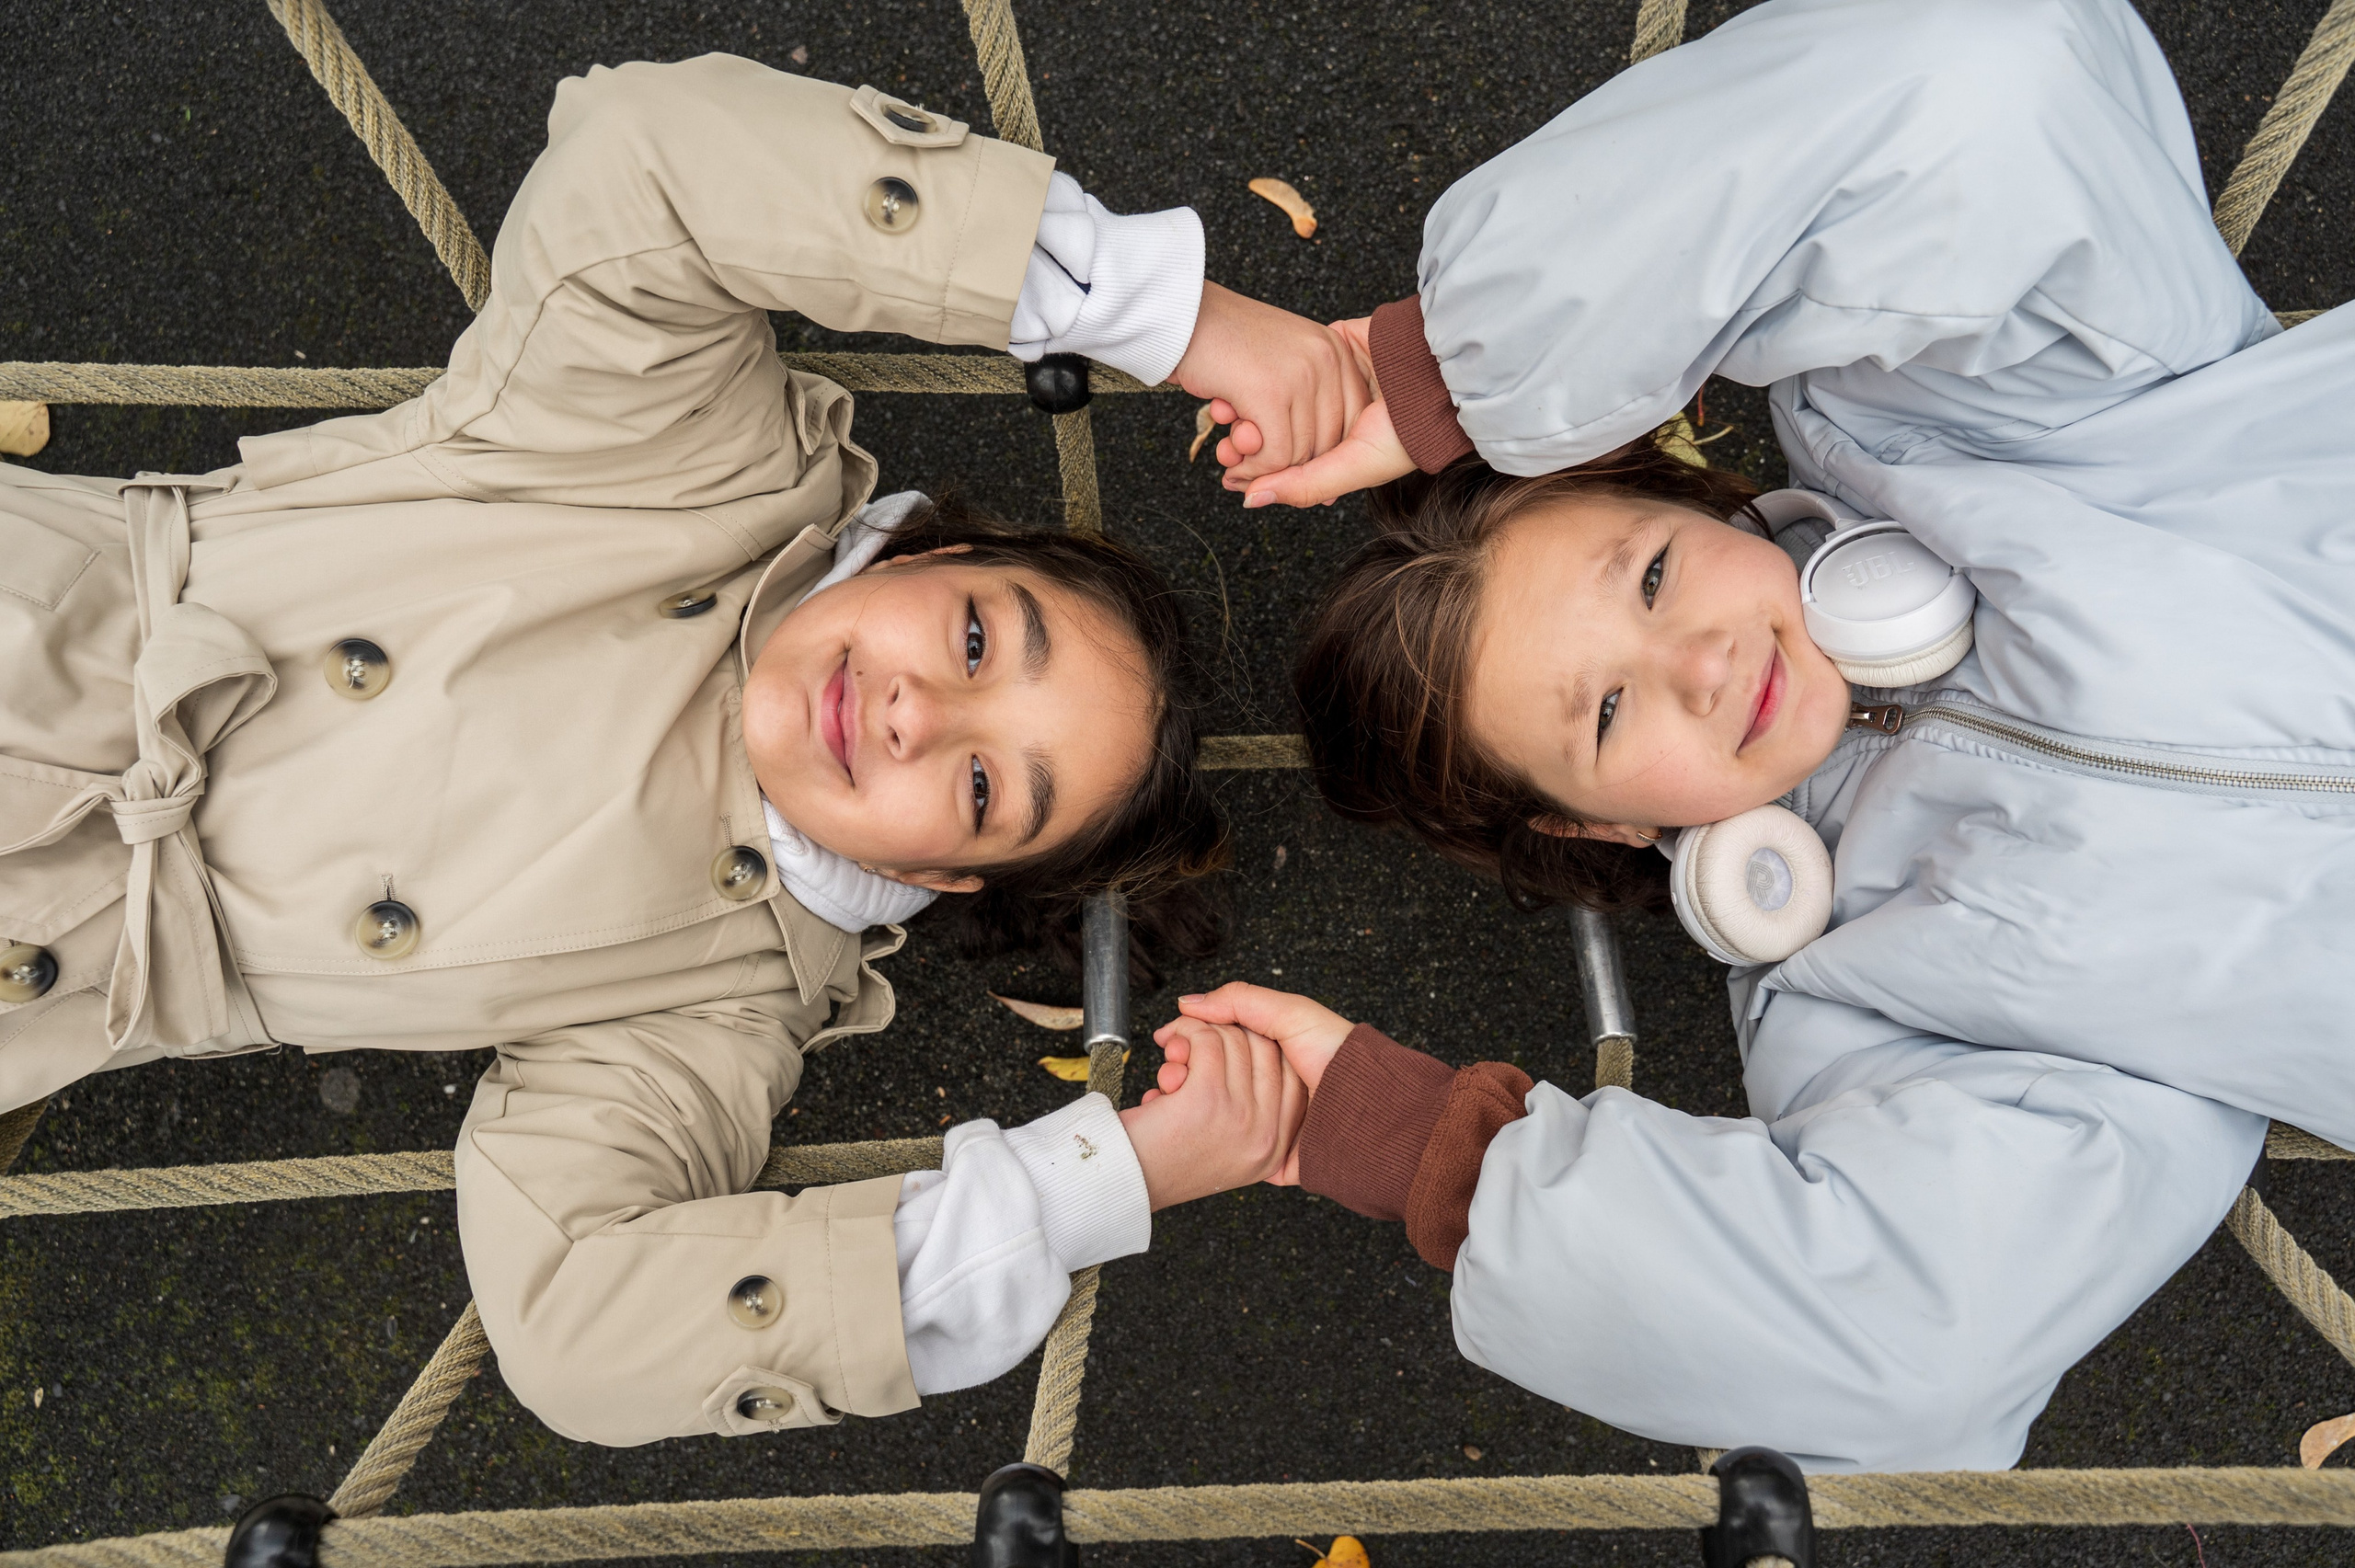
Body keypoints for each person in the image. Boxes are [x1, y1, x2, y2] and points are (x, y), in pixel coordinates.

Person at [0, 52, 1339, 1444]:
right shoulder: (695, 462)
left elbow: (574, 1326)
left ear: (948, 878)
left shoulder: (719, 1001)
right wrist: (1160, 310)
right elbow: (642, 158)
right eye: (980, 640)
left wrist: (1092, 1185)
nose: (915, 713)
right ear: (940, 550)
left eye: (985, 785)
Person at [1167, 0, 2349, 1471]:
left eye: (1654, 576)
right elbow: (1916, 1349)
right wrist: (1432, 1159)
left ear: (1690, 488)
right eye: (1606, 713)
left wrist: (1459, 369)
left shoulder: (1957, 417)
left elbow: (1990, 71)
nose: (1706, 664)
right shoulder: (1873, 1014)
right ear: (1592, 825)